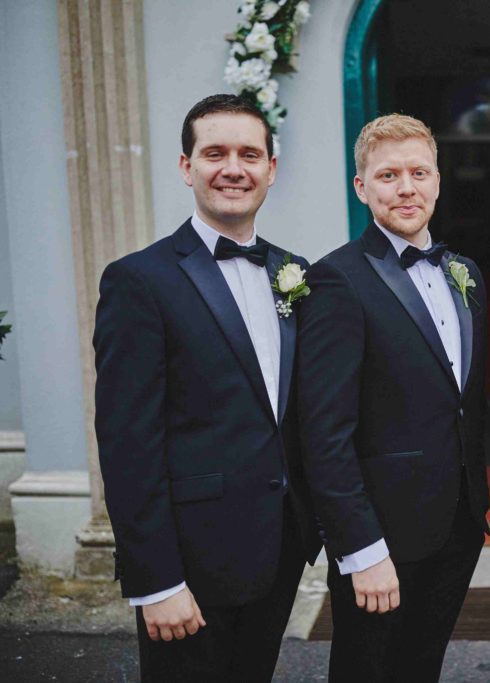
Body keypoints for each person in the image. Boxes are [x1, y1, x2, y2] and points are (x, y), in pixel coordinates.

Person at [93, 93, 321, 681]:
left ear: (271, 169)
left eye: (250, 154)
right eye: (214, 152)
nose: (233, 168)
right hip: (190, 565)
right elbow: (126, 444)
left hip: (277, 550)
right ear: (185, 166)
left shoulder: (293, 273)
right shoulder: (139, 281)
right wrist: (155, 581)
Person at [296, 114, 490, 682]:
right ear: (361, 187)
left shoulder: (466, 273)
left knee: (420, 667)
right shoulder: (336, 279)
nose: (406, 187)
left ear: (437, 179)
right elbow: (323, 432)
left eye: (418, 172)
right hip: (381, 536)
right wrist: (360, 549)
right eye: (388, 175)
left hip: (457, 526)